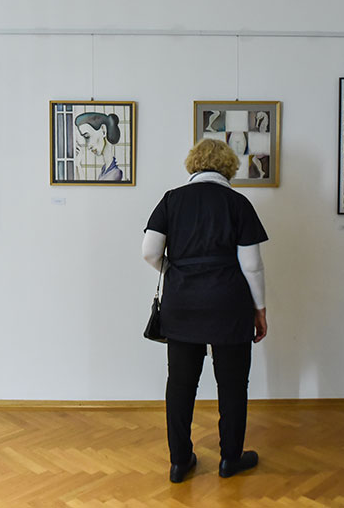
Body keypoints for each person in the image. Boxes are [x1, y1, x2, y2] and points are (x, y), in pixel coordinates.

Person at [142, 138, 268, 483]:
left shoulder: (171, 200)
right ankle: (230, 459)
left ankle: (180, 462)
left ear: (193, 164)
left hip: (182, 304)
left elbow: (149, 251)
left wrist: (174, 270)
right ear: (229, 167)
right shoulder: (238, 203)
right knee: (232, 385)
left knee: (180, 385)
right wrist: (260, 309)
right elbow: (252, 265)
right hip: (229, 304)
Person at [75, 111, 123, 181]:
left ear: (103, 130)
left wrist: (78, 166)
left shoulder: (115, 174)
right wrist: (78, 165)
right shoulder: (105, 169)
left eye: (87, 137)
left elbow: (88, 187)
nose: (88, 146)